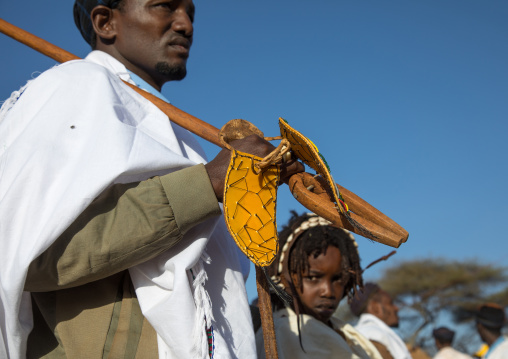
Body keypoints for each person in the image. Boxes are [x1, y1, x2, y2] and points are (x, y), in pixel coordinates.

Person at [0, 0, 302, 358]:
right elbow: (26, 253)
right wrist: (208, 184)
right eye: (165, 6)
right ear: (105, 22)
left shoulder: (168, 128)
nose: (185, 24)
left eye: (190, 12)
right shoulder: (74, 86)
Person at [255, 211, 383, 359]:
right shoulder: (286, 334)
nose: (328, 292)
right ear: (284, 278)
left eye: (338, 279)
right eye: (313, 278)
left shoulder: (344, 332)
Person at [349, 282, 412, 359]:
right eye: (390, 303)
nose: (396, 308)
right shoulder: (373, 336)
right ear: (375, 307)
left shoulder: (357, 333)